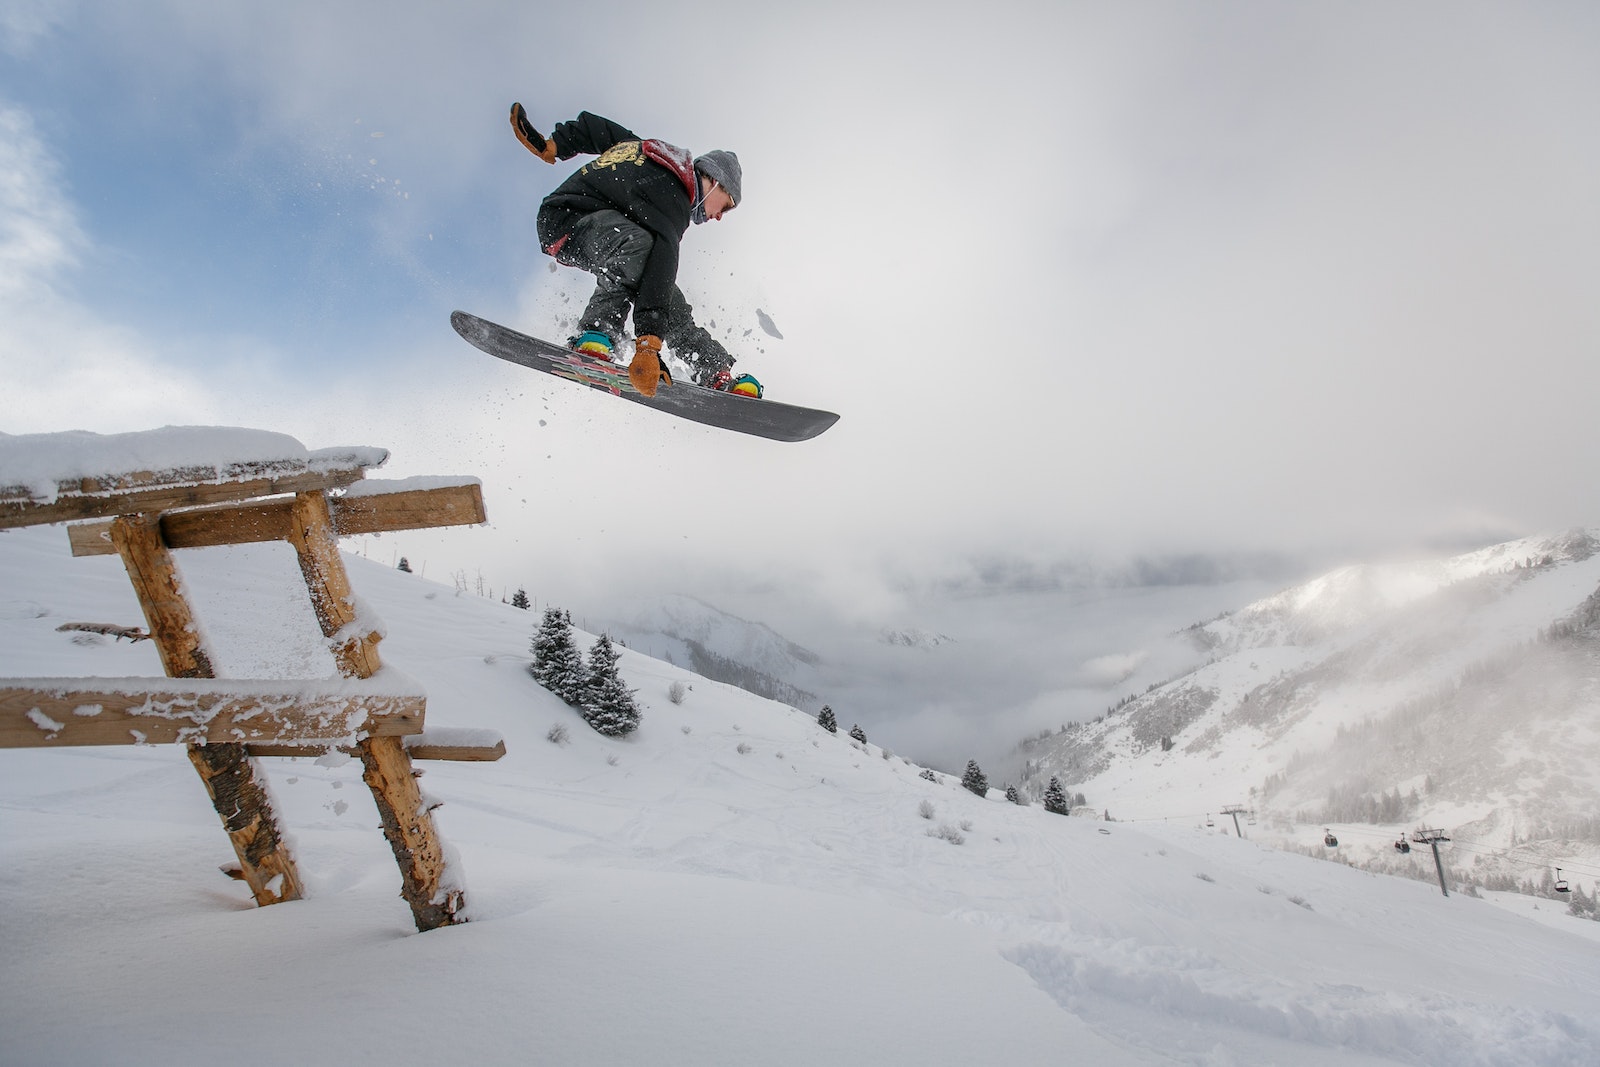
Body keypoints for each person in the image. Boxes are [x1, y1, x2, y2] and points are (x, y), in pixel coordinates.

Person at [510, 104, 759, 400]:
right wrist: (648, 346)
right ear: (715, 181)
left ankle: (713, 371)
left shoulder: (652, 157)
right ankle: (597, 333)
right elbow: (665, 256)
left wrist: (556, 144)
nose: (719, 216)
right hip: (567, 220)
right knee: (642, 248)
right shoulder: (675, 197)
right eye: (726, 205)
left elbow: (598, 130)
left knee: (662, 290)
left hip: (596, 226)